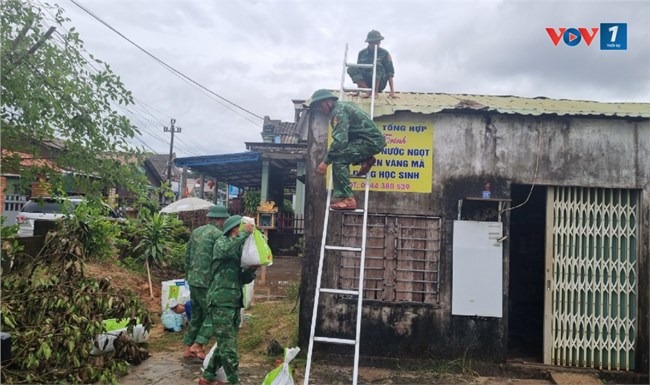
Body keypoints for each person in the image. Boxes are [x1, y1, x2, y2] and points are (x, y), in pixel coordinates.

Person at [200, 215, 258, 385]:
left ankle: (208, 375)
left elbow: (243, 279)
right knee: (229, 347)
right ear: (235, 228)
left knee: (225, 342)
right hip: (220, 301)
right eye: (242, 226)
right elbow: (224, 251)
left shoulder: (237, 248)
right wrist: (244, 235)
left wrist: (251, 270)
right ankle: (233, 381)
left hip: (233, 301)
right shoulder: (222, 242)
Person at [309, 89, 387, 210]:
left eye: (320, 106)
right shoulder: (343, 106)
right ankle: (367, 159)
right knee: (344, 151)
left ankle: (348, 199)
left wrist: (326, 162)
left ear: (328, 102)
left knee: (339, 160)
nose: (320, 109)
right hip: (367, 140)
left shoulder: (338, 112)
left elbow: (340, 141)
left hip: (369, 142)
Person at [183, 205, 230, 360]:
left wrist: (189, 274)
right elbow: (219, 259)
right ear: (222, 219)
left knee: (196, 313)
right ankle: (199, 344)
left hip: (193, 279)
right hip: (207, 282)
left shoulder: (196, 232)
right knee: (213, 313)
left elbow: (187, 256)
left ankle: (189, 347)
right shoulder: (218, 235)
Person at [347, 30, 396, 98]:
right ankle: (368, 91)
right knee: (351, 68)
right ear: (370, 42)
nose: (379, 43)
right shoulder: (362, 53)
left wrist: (392, 92)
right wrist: (358, 91)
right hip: (366, 82)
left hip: (380, 83)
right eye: (376, 42)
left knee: (377, 65)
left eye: (379, 41)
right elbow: (358, 71)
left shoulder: (384, 53)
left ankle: (375, 92)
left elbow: (390, 73)